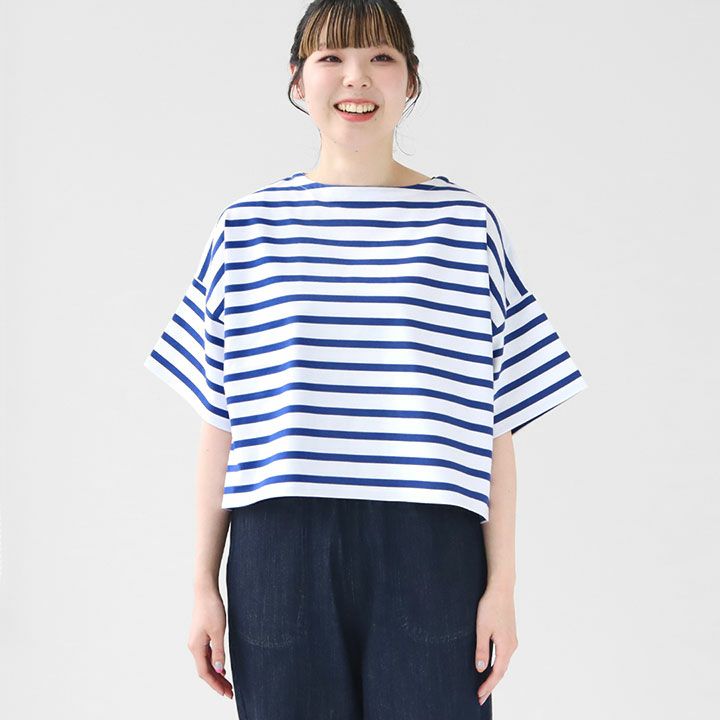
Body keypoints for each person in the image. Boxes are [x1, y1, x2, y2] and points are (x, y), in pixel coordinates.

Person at [143, 1, 589, 717]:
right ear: (298, 80)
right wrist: (201, 584)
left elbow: (495, 423)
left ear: (411, 80)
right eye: (332, 58)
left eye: (382, 57)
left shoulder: (464, 225)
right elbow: (220, 421)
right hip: (279, 548)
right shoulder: (247, 227)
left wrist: (502, 588)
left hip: (430, 546)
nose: (357, 77)